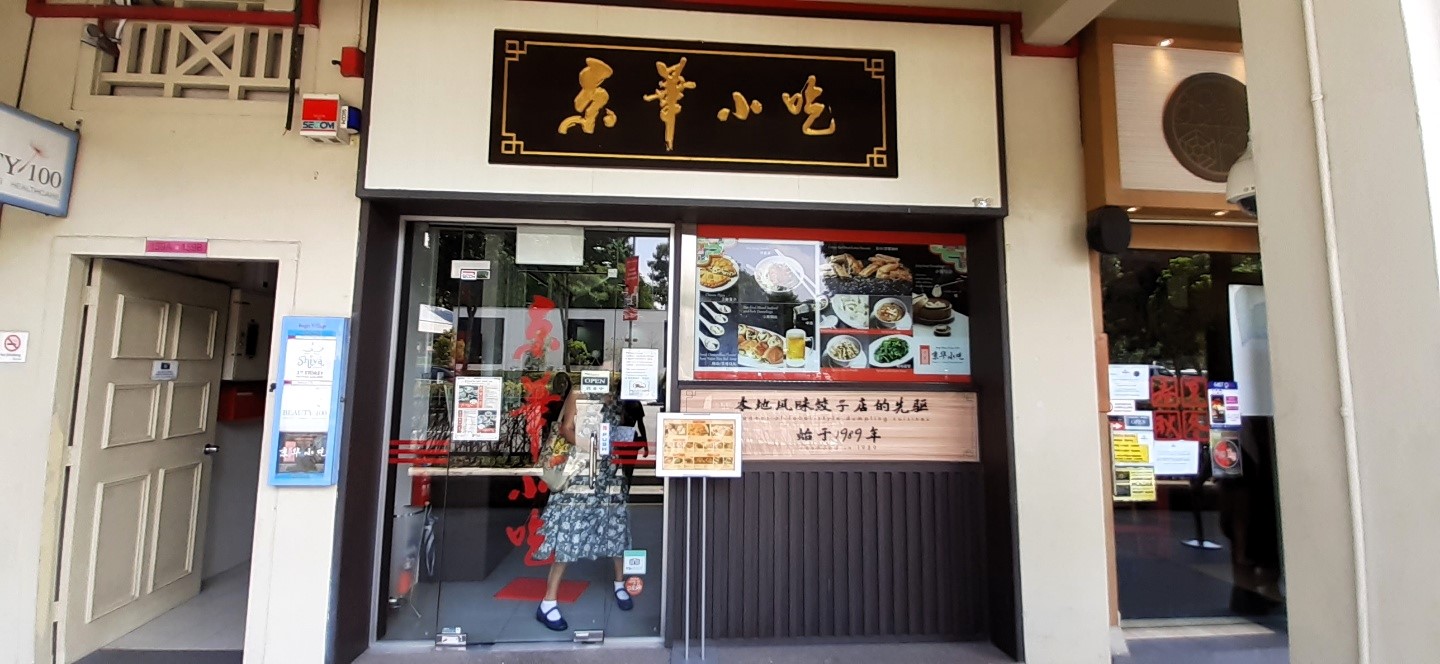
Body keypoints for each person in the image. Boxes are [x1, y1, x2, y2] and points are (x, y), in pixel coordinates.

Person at [533, 388, 633, 631]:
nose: (612, 374)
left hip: (608, 470)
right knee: (570, 528)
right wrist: (592, 446)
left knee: (615, 523)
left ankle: (620, 583)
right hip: (579, 470)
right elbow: (565, 429)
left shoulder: (616, 396)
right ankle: (548, 601)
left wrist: (617, 440)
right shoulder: (579, 393)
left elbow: (616, 427)